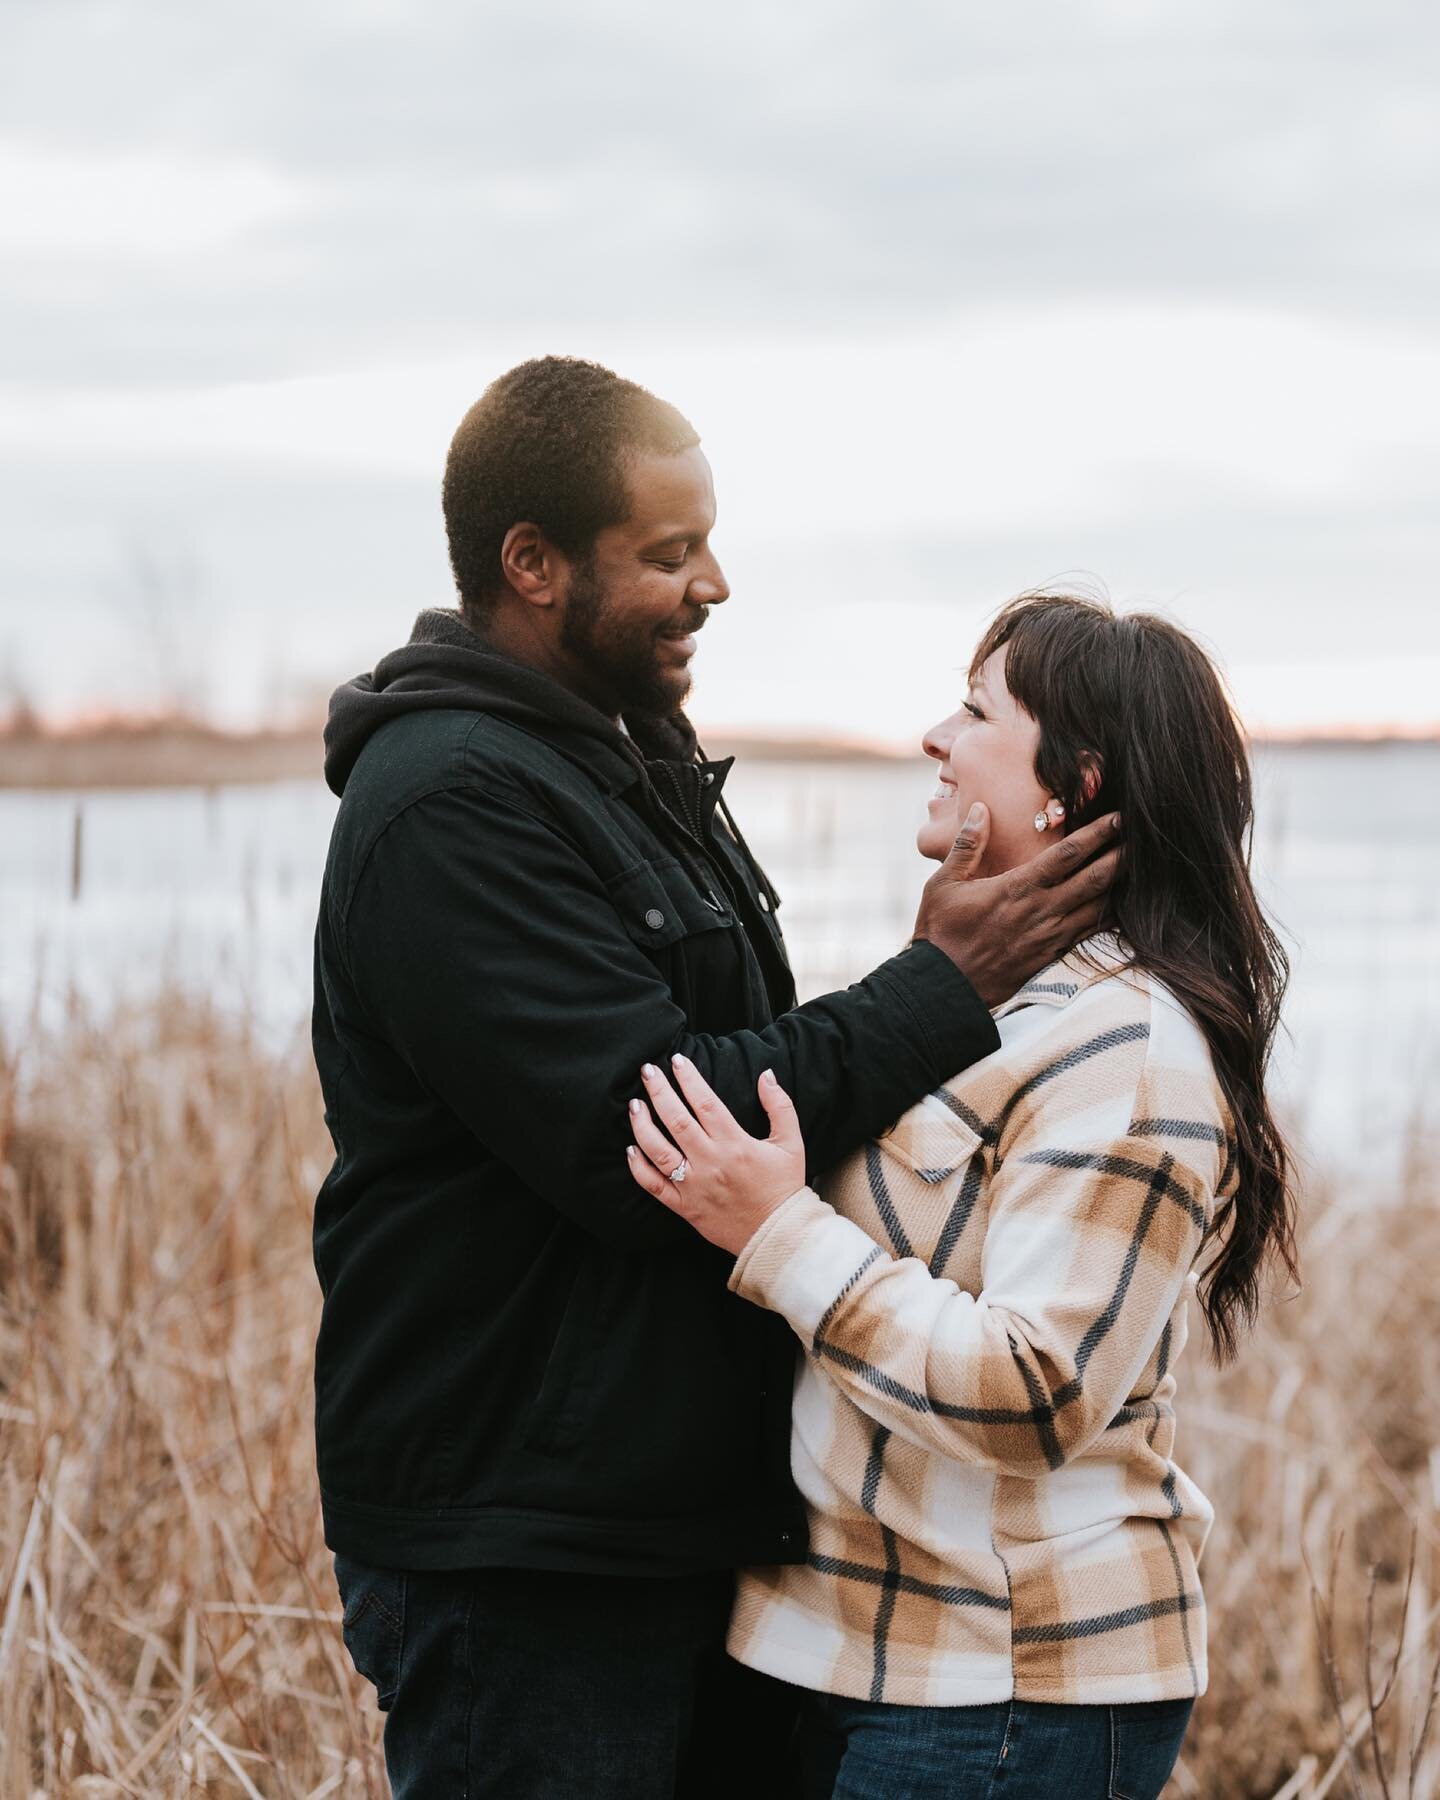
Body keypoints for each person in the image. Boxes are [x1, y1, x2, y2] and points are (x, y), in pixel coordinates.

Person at [310, 361, 1120, 1797]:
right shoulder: (449, 801)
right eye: (671, 555)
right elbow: (659, 1132)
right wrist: (944, 984)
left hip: (673, 1525)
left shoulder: (629, 761)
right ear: (534, 566)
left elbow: (753, 1071)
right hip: (528, 1556)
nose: (717, 585)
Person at [626, 592, 1296, 1800]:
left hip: (1011, 1680)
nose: (936, 736)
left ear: (1071, 785)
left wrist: (780, 1234)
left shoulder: (1125, 1049)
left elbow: (1036, 1392)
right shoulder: (973, 1007)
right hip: (853, 1653)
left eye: (977, 711)